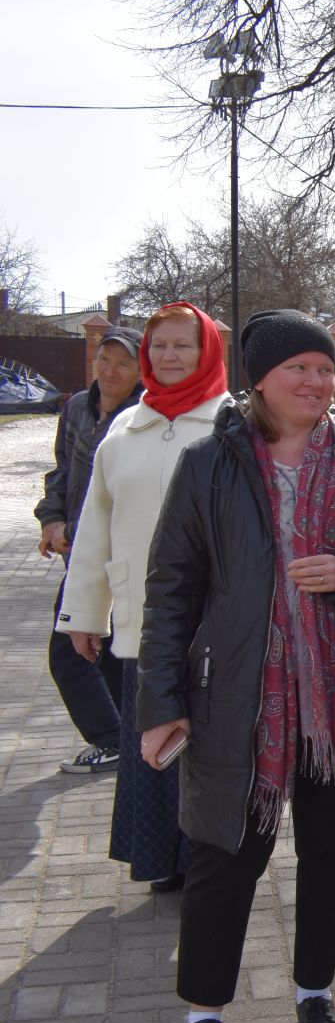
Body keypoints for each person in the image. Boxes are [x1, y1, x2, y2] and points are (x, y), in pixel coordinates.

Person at [138, 309, 335, 1023]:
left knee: (333, 854)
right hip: (239, 702)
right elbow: (171, 590)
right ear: (258, 378)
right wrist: (161, 700)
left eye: (325, 370)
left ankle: (315, 993)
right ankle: (203, 1017)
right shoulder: (209, 466)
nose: (317, 383)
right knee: (226, 858)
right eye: (299, 369)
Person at [61, 303, 230, 892]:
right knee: (155, 744)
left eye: (183, 345)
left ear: (207, 351)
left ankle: (211, 863)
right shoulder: (124, 429)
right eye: (158, 347)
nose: (168, 356)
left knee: (211, 748)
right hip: (141, 622)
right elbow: (94, 526)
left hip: (215, 623)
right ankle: (162, 861)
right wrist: (84, 612)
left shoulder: (231, 424)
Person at [35, 326, 144, 776]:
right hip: (80, 552)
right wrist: (52, 518)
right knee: (108, 650)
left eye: (123, 363)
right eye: (104, 360)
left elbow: (128, 494)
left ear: (141, 370)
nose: (110, 371)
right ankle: (126, 739)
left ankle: (108, 738)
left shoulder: (143, 418)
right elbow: (63, 470)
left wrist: (79, 532)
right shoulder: (78, 407)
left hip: (120, 554)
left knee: (69, 650)